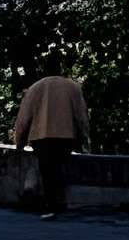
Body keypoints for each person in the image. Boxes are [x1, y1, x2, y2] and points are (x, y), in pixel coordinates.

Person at [12, 68, 90, 218]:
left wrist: (19, 142)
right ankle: (60, 204)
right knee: (60, 168)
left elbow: (23, 118)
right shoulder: (73, 87)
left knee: (47, 171)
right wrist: (84, 139)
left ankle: (51, 206)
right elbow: (81, 116)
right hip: (66, 135)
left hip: (41, 136)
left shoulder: (35, 87)